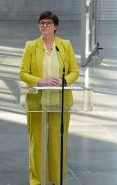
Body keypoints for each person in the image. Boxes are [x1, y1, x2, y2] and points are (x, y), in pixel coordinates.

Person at [19, 11, 79, 185]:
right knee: (36, 143)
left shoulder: (65, 46)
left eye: (48, 23)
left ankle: (58, 179)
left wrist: (64, 80)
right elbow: (22, 73)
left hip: (60, 102)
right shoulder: (31, 46)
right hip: (37, 101)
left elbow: (74, 71)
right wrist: (40, 81)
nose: (44, 26)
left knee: (57, 142)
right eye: (42, 23)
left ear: (55, 26)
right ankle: (36, 180)